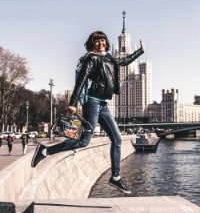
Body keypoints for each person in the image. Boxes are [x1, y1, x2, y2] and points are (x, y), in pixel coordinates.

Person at [31, 30, 145, 194]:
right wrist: (73, 103)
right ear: (92, 43)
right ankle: (45, 150)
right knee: (85, 141)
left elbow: (125, 61)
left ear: (106, 42)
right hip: (92, 102)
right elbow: (81, 80)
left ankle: (115, 177)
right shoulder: (91, 58)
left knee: (118, 139)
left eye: (103, 40)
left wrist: (140, 51)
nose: (101, 43)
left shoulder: (108, 58)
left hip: (104, 104)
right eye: (97, 41)